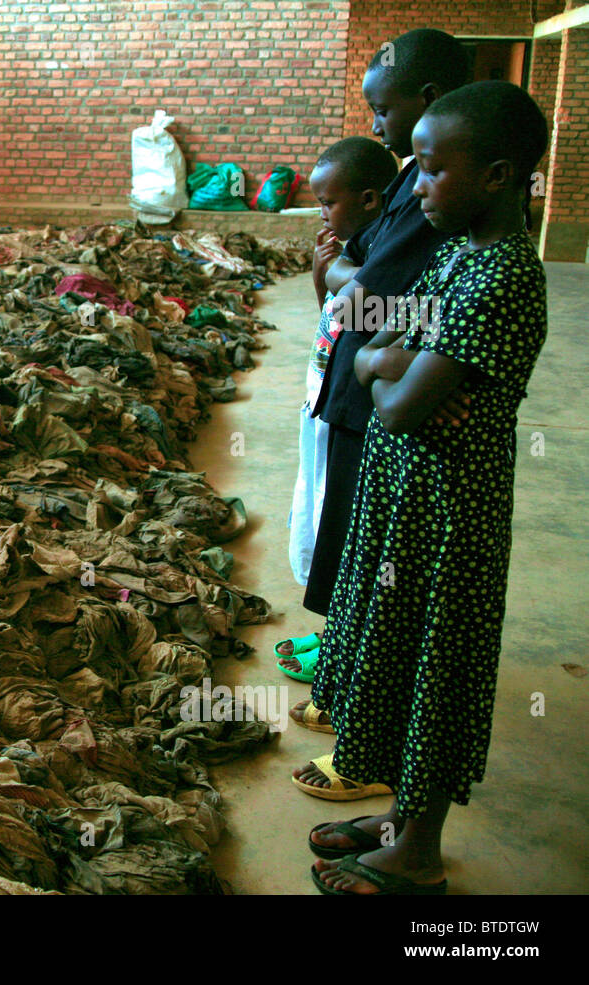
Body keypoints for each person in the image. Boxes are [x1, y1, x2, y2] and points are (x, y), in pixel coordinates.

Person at [306, 80, 549, 893]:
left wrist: (378, 362)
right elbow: (392, 333)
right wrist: (387, 355)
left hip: (449, 518)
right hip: (406, 502)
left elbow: (404, 397)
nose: (420, 187)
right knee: (394, 657)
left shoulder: (507, 275)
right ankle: (397, 819)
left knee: (436, 671)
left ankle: (419, 854)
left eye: (436, 171)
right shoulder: (456, 251)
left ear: (500, 175)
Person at [284, 28, 469, 775]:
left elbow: (371, 304)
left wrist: (338, 286)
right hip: (366, 397)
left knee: (378, 572)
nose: (376, 125)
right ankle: (342, 681)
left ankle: (363, 722)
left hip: (388, 409)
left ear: (426, 101)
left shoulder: (434, 203)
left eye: (381, 108)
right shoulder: (409, 181)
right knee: (348, 549)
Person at [284, 137, 399, 621]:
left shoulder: (388, 250)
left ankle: (339, 629)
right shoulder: (353, 245)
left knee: (337, 515)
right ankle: (331, 626)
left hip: (350, 408)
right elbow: (331, 315)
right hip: (322, 399)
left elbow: (362, 306)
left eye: (328, 203)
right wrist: (321, 273)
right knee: (314, 506)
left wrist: (336, 272)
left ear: (369, 200)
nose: (323, 214)